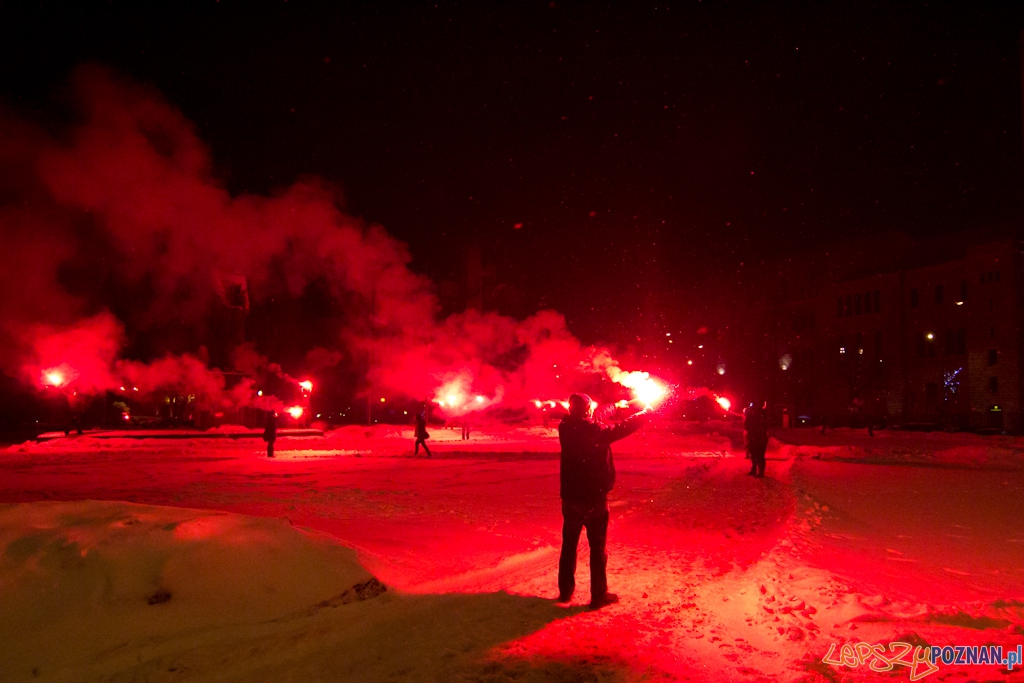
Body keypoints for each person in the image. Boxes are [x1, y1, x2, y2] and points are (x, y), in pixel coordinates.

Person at [557, 393, 648, 609]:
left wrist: (616, 405)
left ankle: (565, 591)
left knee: (568, 546)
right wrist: (645, 414)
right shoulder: (595, 431)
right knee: (597, 548)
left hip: (570, 497)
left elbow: (595, 416)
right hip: (593, 497)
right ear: (586, 410)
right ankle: (598, 595)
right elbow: (622, 427)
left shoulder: (566, 426)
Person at [743, 401, 768, 477]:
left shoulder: (759, 417)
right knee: (754, 454)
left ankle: (760, 472)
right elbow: (746, 425)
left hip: (759, 438)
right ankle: (754, 470)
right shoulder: (756, 417)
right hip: (755, 437)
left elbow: (747, 425)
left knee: (759, 455)